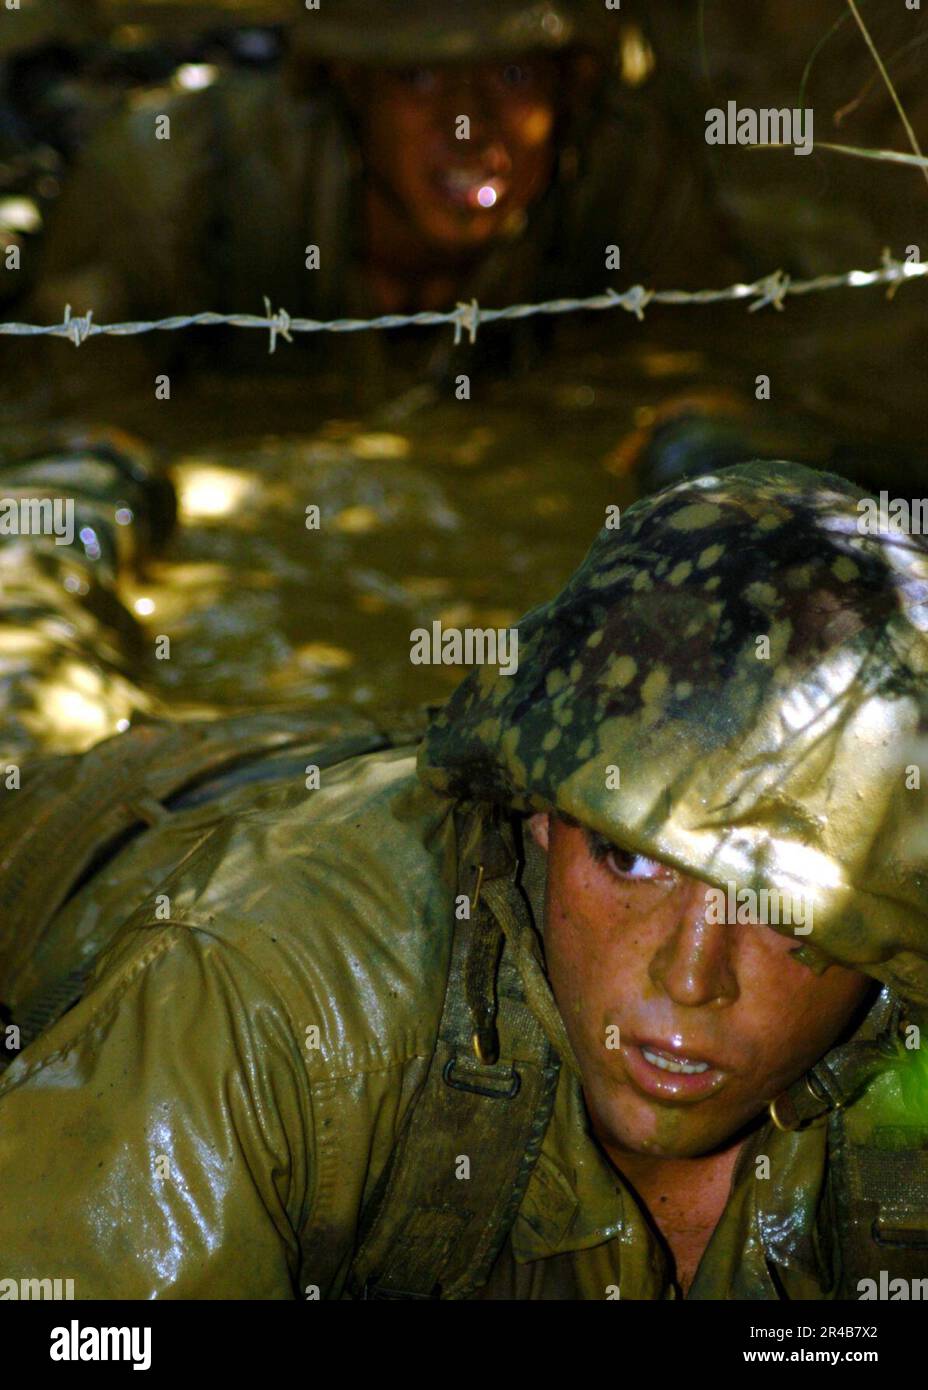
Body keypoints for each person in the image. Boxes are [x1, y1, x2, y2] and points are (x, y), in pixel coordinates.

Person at [0, 456, 925, 1299]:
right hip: (119, 827)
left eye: (776, 908)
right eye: (631, 859)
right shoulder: (274, 998)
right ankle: (66, 499)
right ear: (539, 817)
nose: (689, 977)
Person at [23, 0, 722, 389]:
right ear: (350, 88)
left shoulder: (628, 176)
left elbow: (712, 369)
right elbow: (81, 419)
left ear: (571, 90)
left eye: (513, 77)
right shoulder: (174, 183)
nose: (467, 126)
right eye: (418, 82)